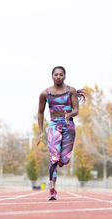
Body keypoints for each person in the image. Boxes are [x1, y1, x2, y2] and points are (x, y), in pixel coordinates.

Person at [37, 66, 86, 201]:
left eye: (61, 75)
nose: (58, 77)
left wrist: (69, 114)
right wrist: (41, 131)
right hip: (53, 126)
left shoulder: (71, 91)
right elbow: (40, 112)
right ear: (52, 76)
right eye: (56, 74)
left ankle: (60, 159)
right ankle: (52, 189)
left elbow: (76, 110)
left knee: (64, 160)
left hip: (68, 125)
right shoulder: (45, 93)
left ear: (64, 76)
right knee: (54, 157)